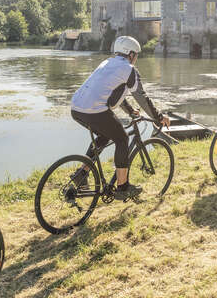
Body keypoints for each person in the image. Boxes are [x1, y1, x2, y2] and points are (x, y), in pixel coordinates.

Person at [70, 36, 170, 201]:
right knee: (122, 138)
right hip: (94, 110)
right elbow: (142, 97)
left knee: (104, 135)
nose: (136, 58)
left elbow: (113, 91)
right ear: (130, 54)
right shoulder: (129, 69)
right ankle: (122, 187)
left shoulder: (107, 63)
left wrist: (130, 110)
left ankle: (82, 174)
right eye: (136, 54)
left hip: (76, 108)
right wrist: (159, 117)